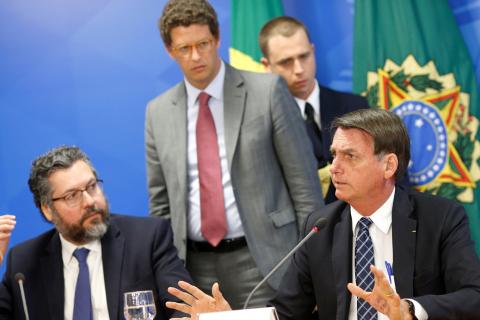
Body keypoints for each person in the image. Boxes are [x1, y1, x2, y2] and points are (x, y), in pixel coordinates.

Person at [166, 109, 480, 320]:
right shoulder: (322, 225)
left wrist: (408, 310)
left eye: (350, 156)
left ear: (389, 165)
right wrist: (229, 318)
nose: (335, 167)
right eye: (334, 155)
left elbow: (474, 297)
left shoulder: (439, 218)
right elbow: (287, 313)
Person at [145, 0, 324, 309]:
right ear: (169, 51)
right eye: (184, 48)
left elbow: (304, 186)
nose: (196, 56)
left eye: (203, 44)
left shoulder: (267, 91)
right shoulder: (157, 112)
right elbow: (160, 205)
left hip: (266, 260)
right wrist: (169, 270)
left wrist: (306, 264)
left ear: (216, 39)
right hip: (192, 269)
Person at [0, 146, 192, 319]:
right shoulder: (23, 262)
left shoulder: (148, 238)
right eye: (72, 196)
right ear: (48, 209)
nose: (90, 202)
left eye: (92, 187)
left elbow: (184, 305)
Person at [259, 16, 370, 203]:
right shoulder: (261, 124)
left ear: (313, 50)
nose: (299, 69)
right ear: (266, 66)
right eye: (286, 62)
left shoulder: (356, 107)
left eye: (304, 56)